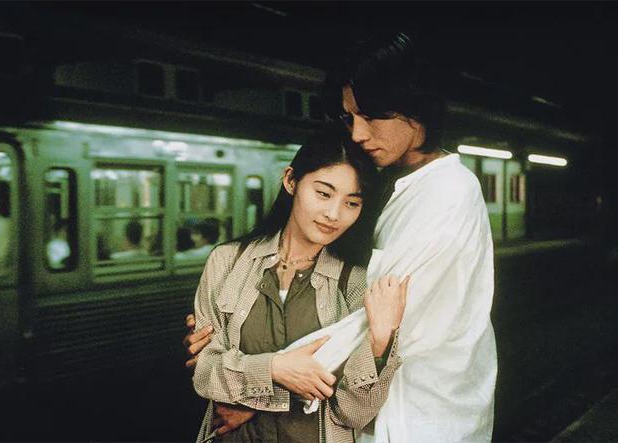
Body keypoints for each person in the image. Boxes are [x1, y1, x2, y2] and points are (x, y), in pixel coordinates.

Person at [185, 33, 497, 442]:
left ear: (415, 109)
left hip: (422, 415)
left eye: (371, 117)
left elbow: (379, 322)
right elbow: (208, 360)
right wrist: (224, 350)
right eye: (350, 119)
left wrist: (253, 390)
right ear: (291, 183)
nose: (358, 134)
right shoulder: (389, 183)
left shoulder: (448, 194)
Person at [191, 130, 410, 442]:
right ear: (291, 181)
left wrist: (380, 341)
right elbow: (204, 373)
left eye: (351, 202)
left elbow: (353, 412)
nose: (334, 214)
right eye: (323, 193)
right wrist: (275, 369)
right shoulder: (227, 262)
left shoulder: (358, 280)